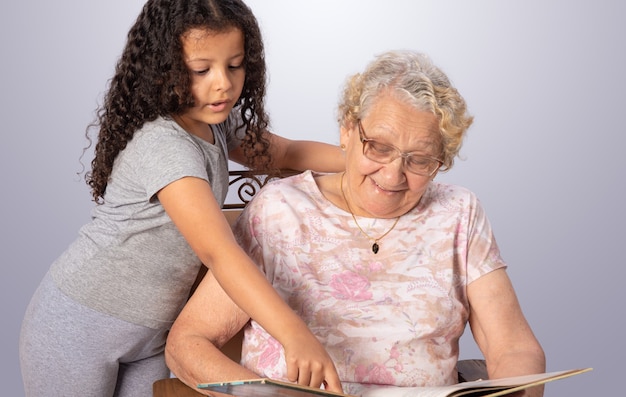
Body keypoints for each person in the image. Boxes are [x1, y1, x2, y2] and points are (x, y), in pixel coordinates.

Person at [165, 50, 547, 397]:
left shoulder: (459, 212)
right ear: (348, 131)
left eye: (420, 160)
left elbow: (513, 347)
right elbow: (188, 342)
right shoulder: (281, 210)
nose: (394, 174)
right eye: (379, 147)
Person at [18, 0, 345, 396]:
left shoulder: (217, 119)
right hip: (80, 325)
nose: (223, 83)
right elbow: (219, 253)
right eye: (201, 70)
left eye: (235, 64)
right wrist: (295, 335)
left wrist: (366, 162)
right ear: (163, 69)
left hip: (152, 333)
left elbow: (288, 153)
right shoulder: (164, 144)